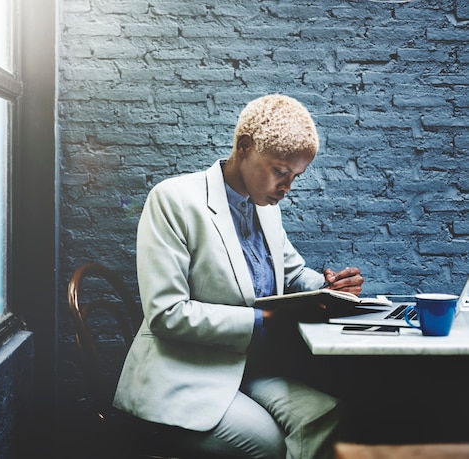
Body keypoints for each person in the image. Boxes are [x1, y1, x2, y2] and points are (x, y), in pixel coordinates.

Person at [113, 94, 364, 458]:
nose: (288, 187)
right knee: (271, 448)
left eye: (296, 176)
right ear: (244, 146)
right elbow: (167, 314)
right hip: (183, 376)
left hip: (247, 370)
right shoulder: (173, 200)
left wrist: (329, 288)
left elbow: (293, 272)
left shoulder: (266, 208)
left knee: (327, 416)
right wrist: (264, 319)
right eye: (280, 172)